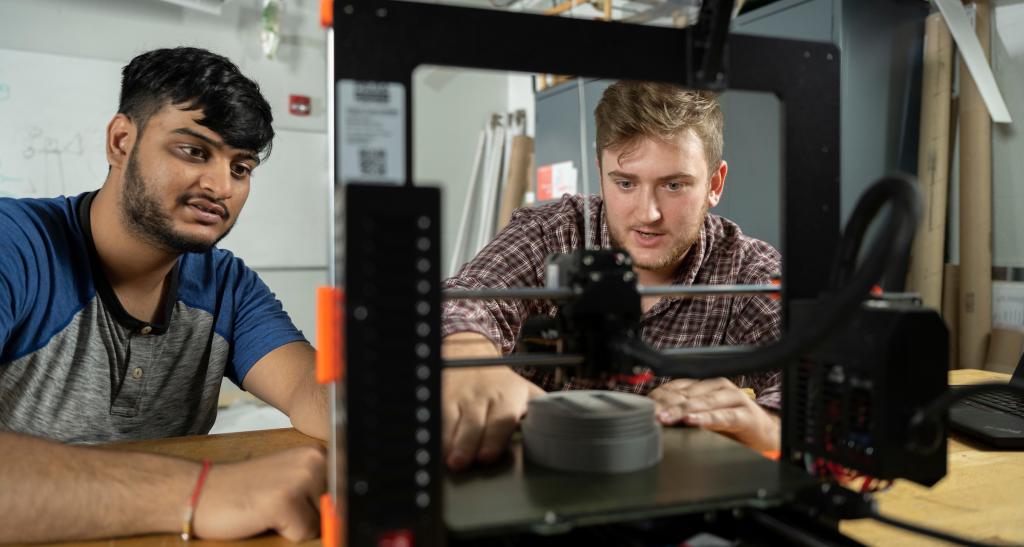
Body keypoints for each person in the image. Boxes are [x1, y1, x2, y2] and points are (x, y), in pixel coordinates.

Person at [0, 47, 326, 543]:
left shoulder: (227, 284)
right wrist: (200, 494)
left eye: (241, 168)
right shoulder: (16, 246)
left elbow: (310, 389)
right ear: (121, 141)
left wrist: (412, 410)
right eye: (194, 151)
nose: (221, 186)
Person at [441, 81, 783, 471]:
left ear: (714, 184)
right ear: (599, 171)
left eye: (674, 185)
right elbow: (462, 298)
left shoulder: (746, 268)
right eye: (625, 183)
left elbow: (817, 375)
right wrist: (464, 353)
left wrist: (768, 424)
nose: (647, 213)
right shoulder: (554, 233)